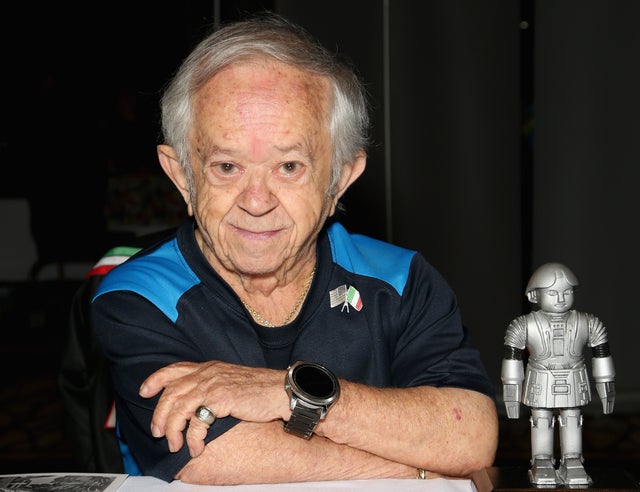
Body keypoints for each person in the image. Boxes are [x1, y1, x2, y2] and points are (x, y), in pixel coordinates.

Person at [92, 12, 498, 485]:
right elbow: (216, 461)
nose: (257, 201)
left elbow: (472, 436)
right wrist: (418, 463)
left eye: (289, 166)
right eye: (226, 166)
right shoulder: (139, 297)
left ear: (339, 178)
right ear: (182, 175)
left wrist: (287, 393)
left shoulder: (402, 280)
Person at [501, 262, 615, 487]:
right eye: (553, 293)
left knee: (572, 418)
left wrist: (607, 392)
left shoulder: (588, 323)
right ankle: (541, 460)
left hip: (574, 376)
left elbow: (601, 355)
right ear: (535, 295)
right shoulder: (523, 325)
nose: (561, 298)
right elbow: (512, 362)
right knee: (541, 419)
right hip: (541, 378)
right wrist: (511, 398)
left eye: (567, 292)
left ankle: (572, 459)